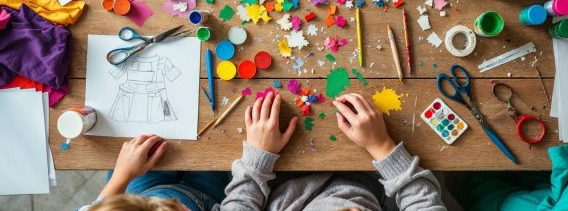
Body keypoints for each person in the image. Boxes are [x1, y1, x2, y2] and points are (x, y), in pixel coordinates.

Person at [82, 91, 447, 210]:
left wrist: (121, 180)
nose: (173, 207)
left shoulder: (144, 200)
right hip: (361, 174)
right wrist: (382, 146)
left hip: (261, 184)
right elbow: (424, 202)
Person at [217, 91, 447, 210]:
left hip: (277, 181)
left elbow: (240, 204)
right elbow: (423, 203)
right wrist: (381, 145)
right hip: (370, 181)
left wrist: (257, 158)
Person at [78, 134, 229, 211]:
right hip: (207, 198)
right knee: (220, 146)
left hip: (142, 192)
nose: (173, 200)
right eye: (175, 207)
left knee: (139, 145)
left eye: (153, 204)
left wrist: (122, 175)